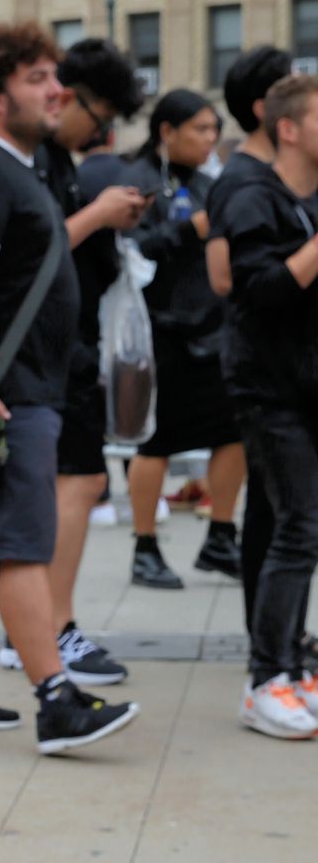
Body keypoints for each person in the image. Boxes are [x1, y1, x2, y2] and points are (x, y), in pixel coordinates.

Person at [0, 23, 139, 753]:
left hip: (17, 390)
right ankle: (57, 701)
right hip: (5, 396)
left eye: (56, 77)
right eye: (38, 79)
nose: (57, 91)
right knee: (23, 546)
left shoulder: (16, 165)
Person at [0, 39, 146, 686]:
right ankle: (48, 628)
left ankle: (32, 632)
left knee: (2, 519)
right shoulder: (18, 159)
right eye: (95, 109)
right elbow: (34, 246)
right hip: (39, 361)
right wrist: (100, 214)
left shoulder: (50, 157)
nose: (96, 124)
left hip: (56, 353)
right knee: (72, 487)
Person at [220, 74, 318, 737]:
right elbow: (258, 292)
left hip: (307, 385)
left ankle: (291, 662)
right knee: (297, 526)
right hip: (268, 389)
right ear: (290, 128)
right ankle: (265, 680)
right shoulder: (252, 195)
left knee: (306, 528)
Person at [204, 48, 311, 646]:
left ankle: (282, 638)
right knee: (280, 520)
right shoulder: (244, 182)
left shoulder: (276, 181)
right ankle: (271, 649)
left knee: (283, 516)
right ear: (272, 114)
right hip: (264, 372)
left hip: (289, 371)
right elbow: (230, 280)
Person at [124, 90, 244, 589]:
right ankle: (145, 545)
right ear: (167, 131)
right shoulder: (139, 180)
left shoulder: (207, 181)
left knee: (233, 434)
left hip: (211, 333)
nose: (209, 139)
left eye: (214, 130)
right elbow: (132, 251)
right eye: (199, 129)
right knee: (156, 443)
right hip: (161, 335)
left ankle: (220, 535)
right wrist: (190, 231)